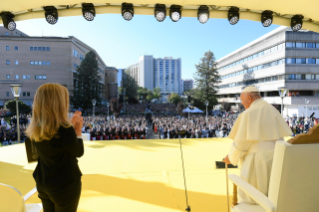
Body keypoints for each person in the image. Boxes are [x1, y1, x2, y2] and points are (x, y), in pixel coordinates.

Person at [223, 86, 292, 205]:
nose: (242, 104)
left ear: (249, 98)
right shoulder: (273, 110)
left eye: (243, 102)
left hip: (258, 162)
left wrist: (231, 157)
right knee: (274, 197)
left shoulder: (249, 113)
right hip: (278, 159)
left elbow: (240, 144)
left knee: (255, 200)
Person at [25, 83, 84, 212]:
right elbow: (78, 151)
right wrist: (77, 130)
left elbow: (34, 155)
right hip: (64, 184)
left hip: (43, 182)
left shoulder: (36, 126)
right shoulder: (64, 129)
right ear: (58, 103)